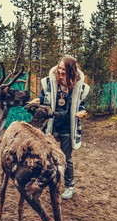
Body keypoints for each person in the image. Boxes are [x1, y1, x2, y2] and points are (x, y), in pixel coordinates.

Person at [29, 56, 90, 199]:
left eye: (64, 69)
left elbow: (82, 105)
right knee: (46, 154)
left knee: (65, 158)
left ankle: (70, 186)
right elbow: (44, 98)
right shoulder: (50, 83)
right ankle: (43, 181)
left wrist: (82, 112)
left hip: (68, 126)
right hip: (52, 124)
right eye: (59, 68)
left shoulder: (79, 88)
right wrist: (37, 101)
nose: (60, 72)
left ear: (70, 71)